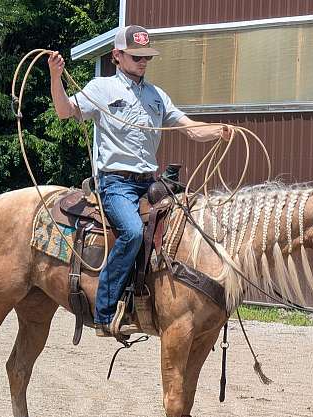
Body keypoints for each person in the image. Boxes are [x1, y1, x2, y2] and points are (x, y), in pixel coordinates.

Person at [48, 25, 232, 337]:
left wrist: (220, 130)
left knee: (187, 222)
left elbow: (190, 129)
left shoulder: (156, 96)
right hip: (114, 183)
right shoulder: (101, 88)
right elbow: (64, 111)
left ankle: (157, 301)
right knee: (133, 232)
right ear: (117, 56)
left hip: (149, 182)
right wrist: (55, 77)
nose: (143, 61)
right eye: (136, 56)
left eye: (146, 56)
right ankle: (104, 311)